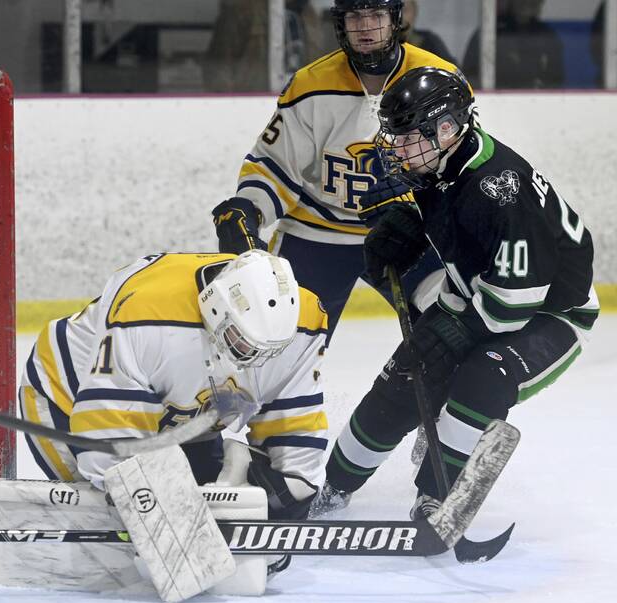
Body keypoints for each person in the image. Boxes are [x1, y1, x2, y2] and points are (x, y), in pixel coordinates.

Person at [314, 66, 598, 517]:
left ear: (447, 129)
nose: (399, 149)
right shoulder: (442, 164)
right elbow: (467, 250)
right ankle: (332, 488)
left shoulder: (495, 189)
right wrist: (413, 227)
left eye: (409, 138)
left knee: (481, 378)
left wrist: (453, 332)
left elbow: (516, 301)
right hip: (482, 297)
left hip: (549, 314)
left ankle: (436, 497)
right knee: (405, 375)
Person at [210, 0, 464, 341]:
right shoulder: (310, 85)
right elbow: (276, 166)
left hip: (408, 232)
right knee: (274, 340)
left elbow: (458, 167)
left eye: (376, 15)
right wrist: (250, 209)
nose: (366, 27)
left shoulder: (437, 78)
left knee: (451, 328)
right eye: (355, 16)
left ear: (395, 19)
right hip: (316, 233)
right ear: (341, 23)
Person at [19, 249, 329, 523]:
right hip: (69, 395)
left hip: (183, 418)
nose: (257, 362)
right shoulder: (148, 316)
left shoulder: (301, 324)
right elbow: (111, 452)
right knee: (115, 529)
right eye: (244, 344)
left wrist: (287, 496)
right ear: (217, 310)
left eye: (269, 352)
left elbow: (295, 441)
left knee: (215, 515)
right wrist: (151, 511)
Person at [462, 0, 565, 89]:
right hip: (497, 101)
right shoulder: (489, 33)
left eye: (534, 0)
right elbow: (468, 77)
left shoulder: (547, 36)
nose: (528, 3)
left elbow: (556, 80)